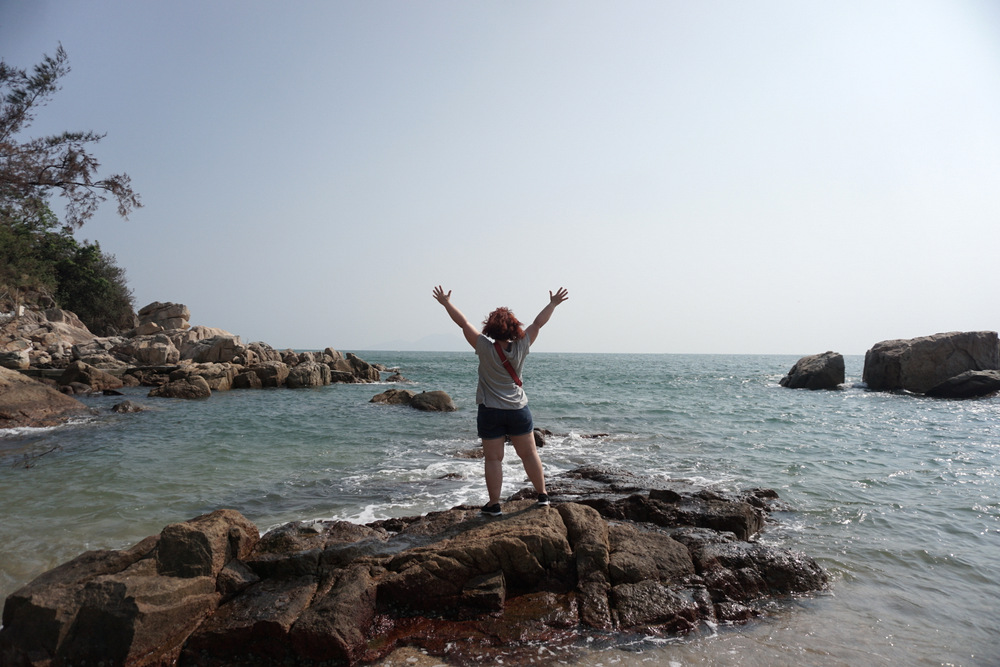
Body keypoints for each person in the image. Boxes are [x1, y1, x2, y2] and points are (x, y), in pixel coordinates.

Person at [432, 285, 569, 516]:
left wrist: (446, 303)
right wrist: (553, 303)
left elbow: (463, 323)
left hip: (490, 410)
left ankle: (494, 505)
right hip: (518, 409)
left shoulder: (484, 346)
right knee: (529, 454)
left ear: (490, 328)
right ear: (515, 328)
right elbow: (538, 323)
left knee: (494, 459)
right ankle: (543, 496)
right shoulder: (522, 345)